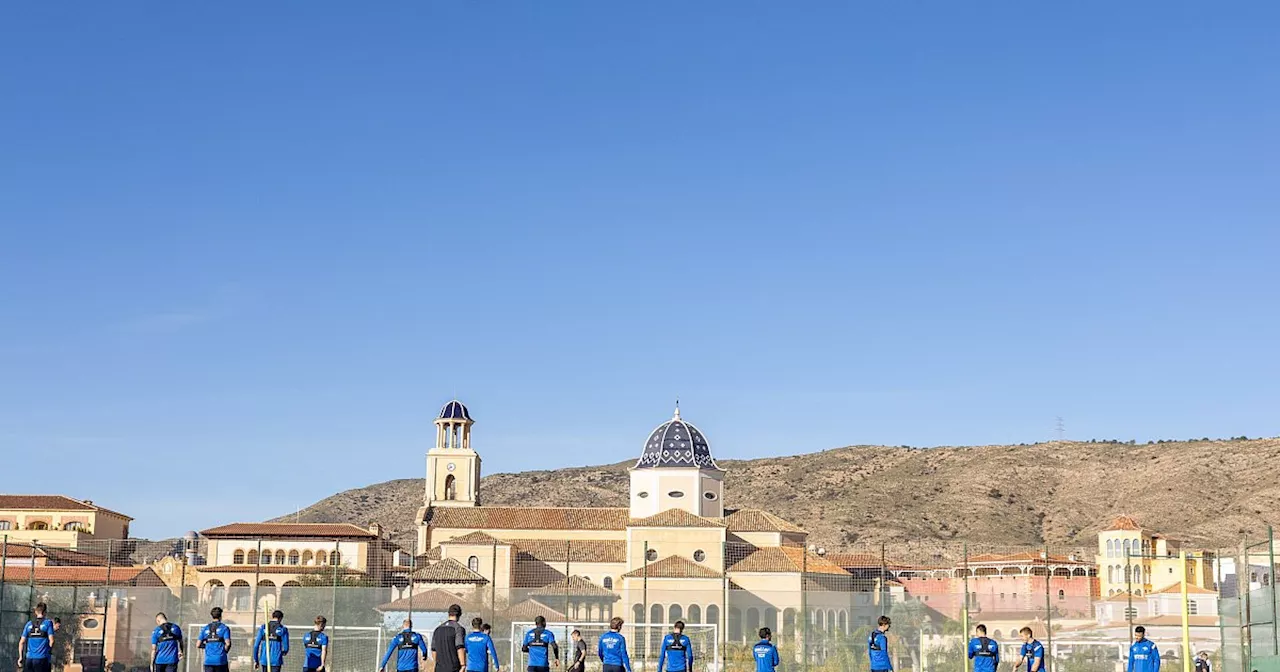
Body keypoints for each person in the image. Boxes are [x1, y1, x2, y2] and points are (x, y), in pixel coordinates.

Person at [17, 603, 55, 672]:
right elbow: (51, 641)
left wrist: (20, 657)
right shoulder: (48, 623)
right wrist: (48, 651)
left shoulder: (28, 624)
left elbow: (21, 642)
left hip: (29, 659)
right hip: (41, 658)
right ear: (45, 612)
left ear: (36, 612)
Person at [430, 605, 468, 672]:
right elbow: (460, 647)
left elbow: (433, 650)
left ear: (449, 614)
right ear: (459, 615)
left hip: (439, 668)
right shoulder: (458, 629)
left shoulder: (437, 629)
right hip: (453, 668)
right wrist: (463, 665)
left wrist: (437, 664)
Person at [198, 607, 233, 672]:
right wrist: (225, 650)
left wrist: (207, 645)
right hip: (220, 660)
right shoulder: (224, 628)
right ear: (220, 616)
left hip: (208, 661)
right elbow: (228, 643)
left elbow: (198, 645)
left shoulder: (205, 628)